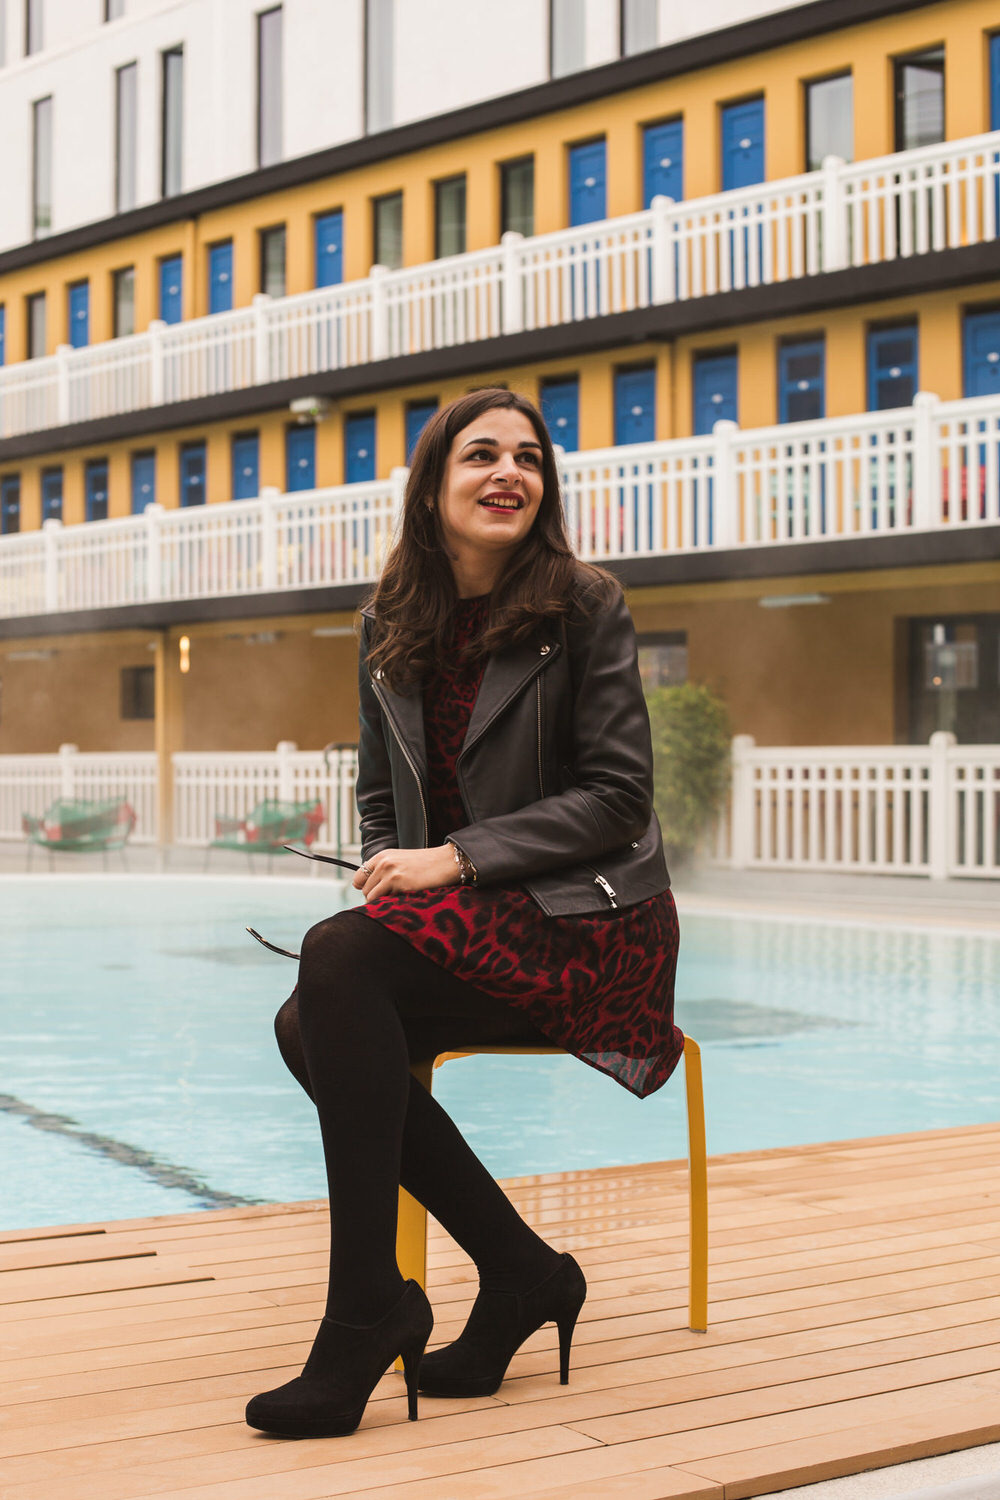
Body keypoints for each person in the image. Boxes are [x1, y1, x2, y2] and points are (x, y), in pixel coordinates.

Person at [246, 388, 683, 1439]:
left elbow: (619, 797)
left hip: (589, 923)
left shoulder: (584, 605)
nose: (508, 473)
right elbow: (378, 793)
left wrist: (454, 859)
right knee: (311, 1015)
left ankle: (370, 1310)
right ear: (434, 485)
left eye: (528, 457)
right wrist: (387, 866)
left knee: (331, 972)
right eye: (481, 454)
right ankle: (520, 1271)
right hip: (473, 922)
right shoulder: (389, 620)